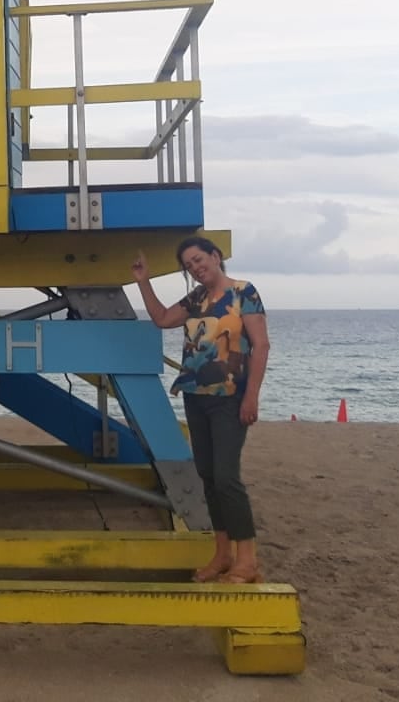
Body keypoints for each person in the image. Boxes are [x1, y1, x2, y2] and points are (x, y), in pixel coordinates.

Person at [132, 236, 272, 585]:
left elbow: (261, 345)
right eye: (189, 265)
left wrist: (251, 396)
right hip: (196, 395)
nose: (196, 268)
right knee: (208, 477)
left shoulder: (244, 293)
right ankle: (222, 554)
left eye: (199, 259)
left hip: (230, 396)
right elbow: (163, 318)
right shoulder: (196, 299)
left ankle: (247, 559)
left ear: (215, 256)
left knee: (227, 477)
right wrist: (143, 282)